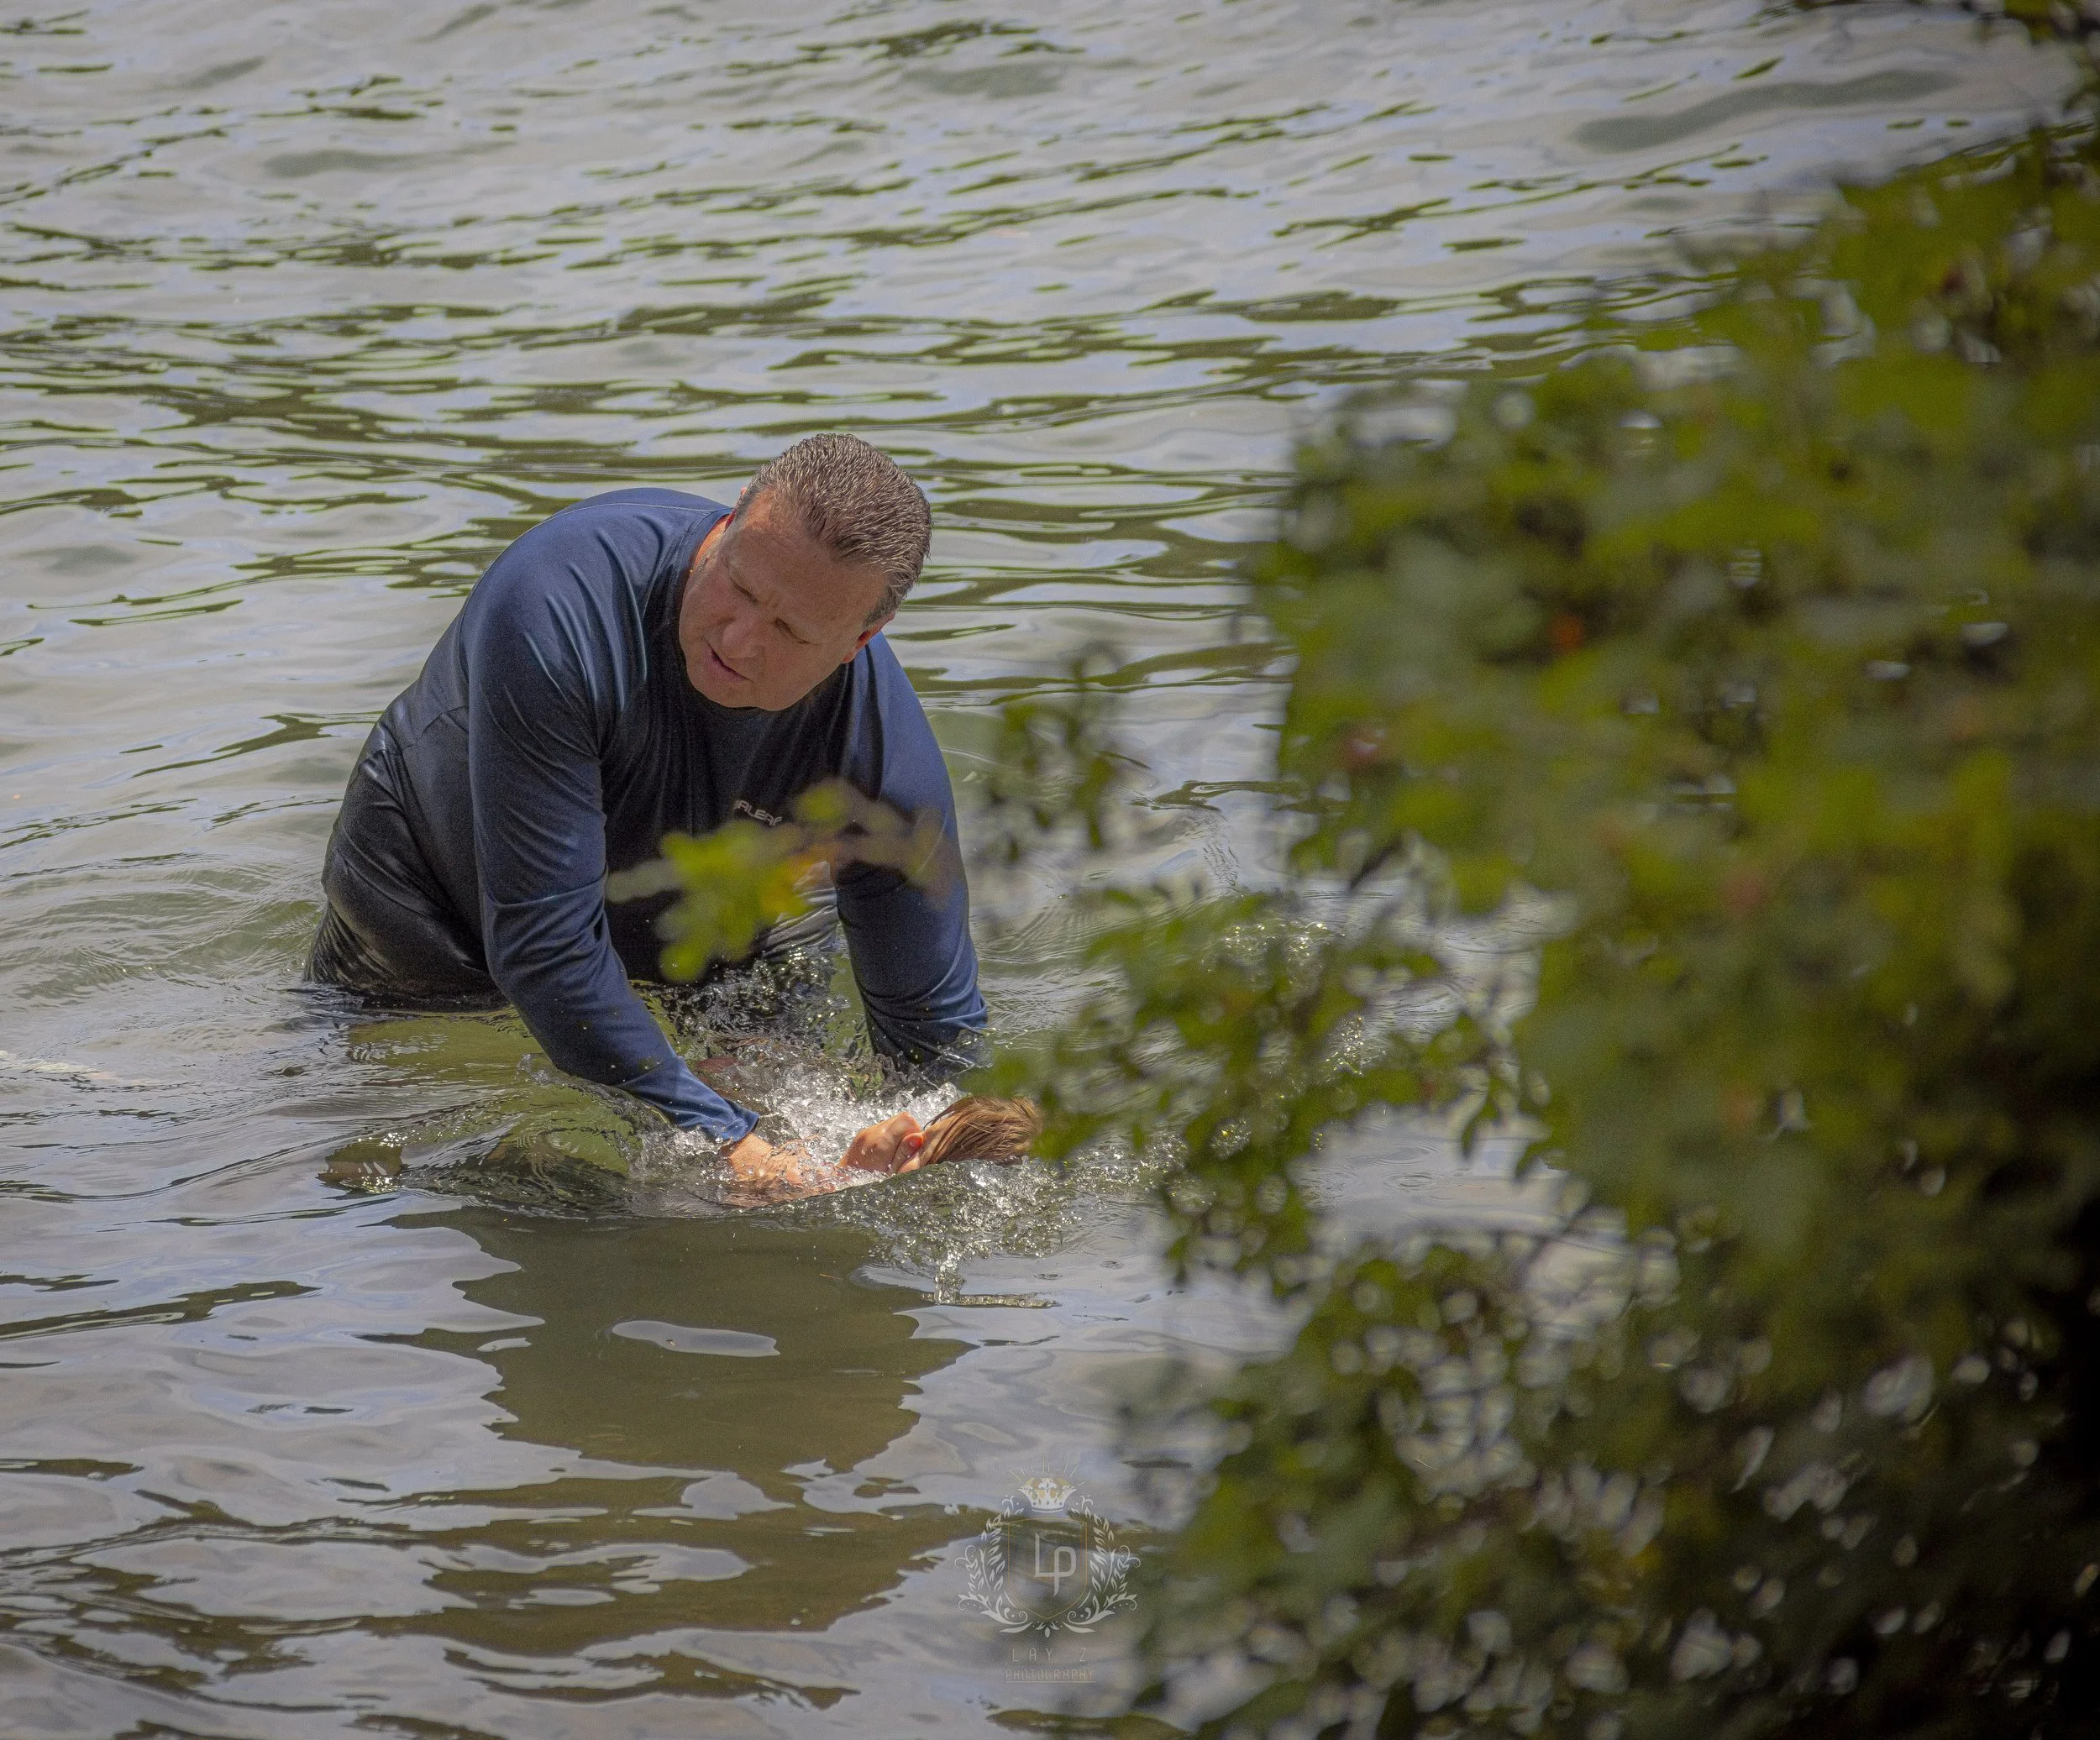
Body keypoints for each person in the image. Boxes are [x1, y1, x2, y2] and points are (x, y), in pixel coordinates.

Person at [308, 433, 987, 1182]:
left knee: (787, 1116)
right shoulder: (554, 602)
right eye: (742, 586)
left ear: (860, 641)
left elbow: (938, 1037)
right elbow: (545, 946)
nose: (738, 638)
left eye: (790, 630)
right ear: (729, 525)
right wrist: (726, 1141)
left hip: (709, 921)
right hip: (436, 901)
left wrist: (922, 1134)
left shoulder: (882, 760)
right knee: (404, 1161)